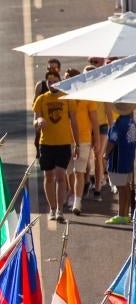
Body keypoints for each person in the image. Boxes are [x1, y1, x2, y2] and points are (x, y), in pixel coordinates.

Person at [32, 70, 73, 221]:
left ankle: (60, 211)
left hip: (63, 143)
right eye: (49, 81)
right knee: (48, 177)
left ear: (59, 81)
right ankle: (52, 208)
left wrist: (76, 143)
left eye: (54, 80)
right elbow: (35, 121)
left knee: (61, 177)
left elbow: (73, 120)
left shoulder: (66, 98)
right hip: (46, 144)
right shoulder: (41, 99)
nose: (51, 83)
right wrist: (39, 121)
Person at [65, 68, 99, 216]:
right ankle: (72, 194)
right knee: (68, 171)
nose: (64, 81)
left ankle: (77, 202)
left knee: (78, 172)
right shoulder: (63, 96)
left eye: (67, 78)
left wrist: (96, 139)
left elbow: (95, 120)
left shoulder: (88, 96)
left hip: (84, 139)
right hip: (65, 139)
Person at [103, 102, 136, 225]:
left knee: (121, 188)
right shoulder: (132, 122)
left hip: (118, 160)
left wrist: (106, 154)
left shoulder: (118, 123)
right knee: (126, 187)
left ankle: (121, 214)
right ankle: (125, 213)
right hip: (128, 159)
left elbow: (112, 140)